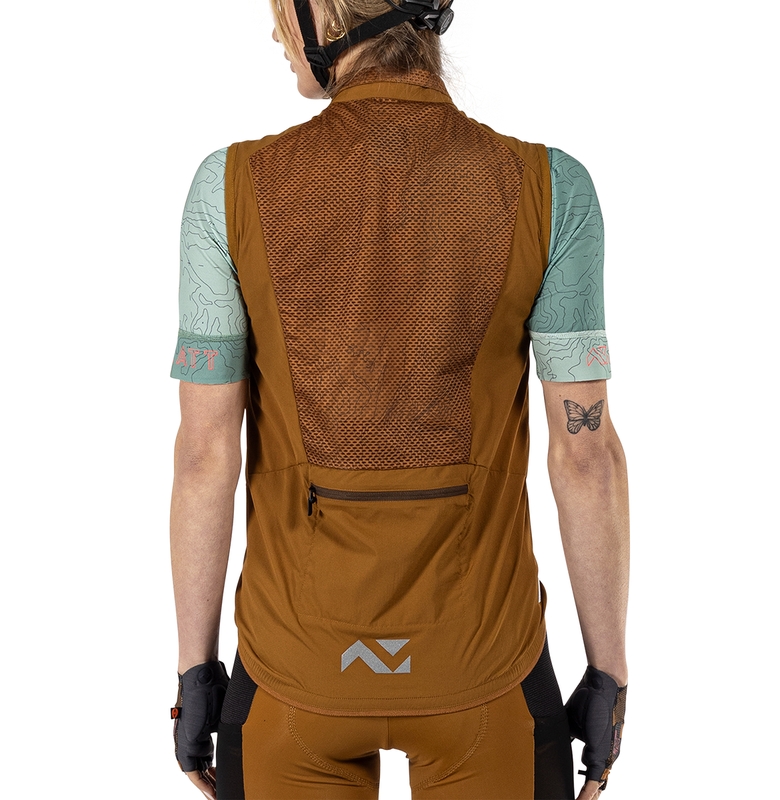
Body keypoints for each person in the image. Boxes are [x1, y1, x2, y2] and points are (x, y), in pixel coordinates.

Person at [169, 2, 629, 799]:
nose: (276, 34)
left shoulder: (228, 190)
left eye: (284, 11)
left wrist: (196, 673)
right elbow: (586, 457)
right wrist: (608, 675)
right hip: (484, 666)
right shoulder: (554, 191)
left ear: (327, 16)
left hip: (293, 666)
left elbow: (205, 455)